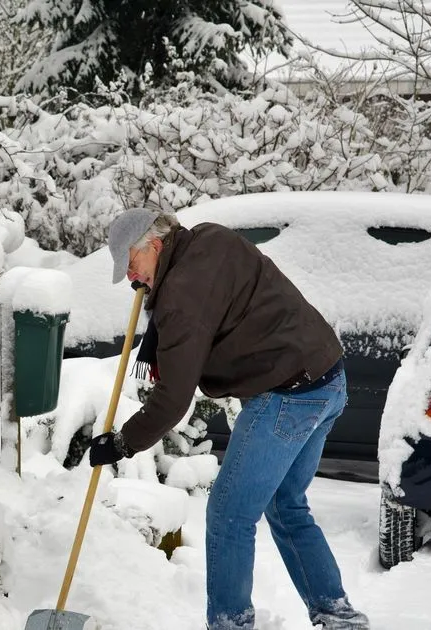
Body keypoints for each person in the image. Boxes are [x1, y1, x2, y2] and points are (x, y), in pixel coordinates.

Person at [87, 208, 370, 630]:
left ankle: (230, 624)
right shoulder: (207, 238)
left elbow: (174, 398)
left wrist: (123, 443)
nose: (132, 277)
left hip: (288, 393)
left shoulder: (181, 294)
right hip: (327, 379)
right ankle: (338, 615)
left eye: (132, 264)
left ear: (155, 245)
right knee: (286, 503)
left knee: (228, 514)